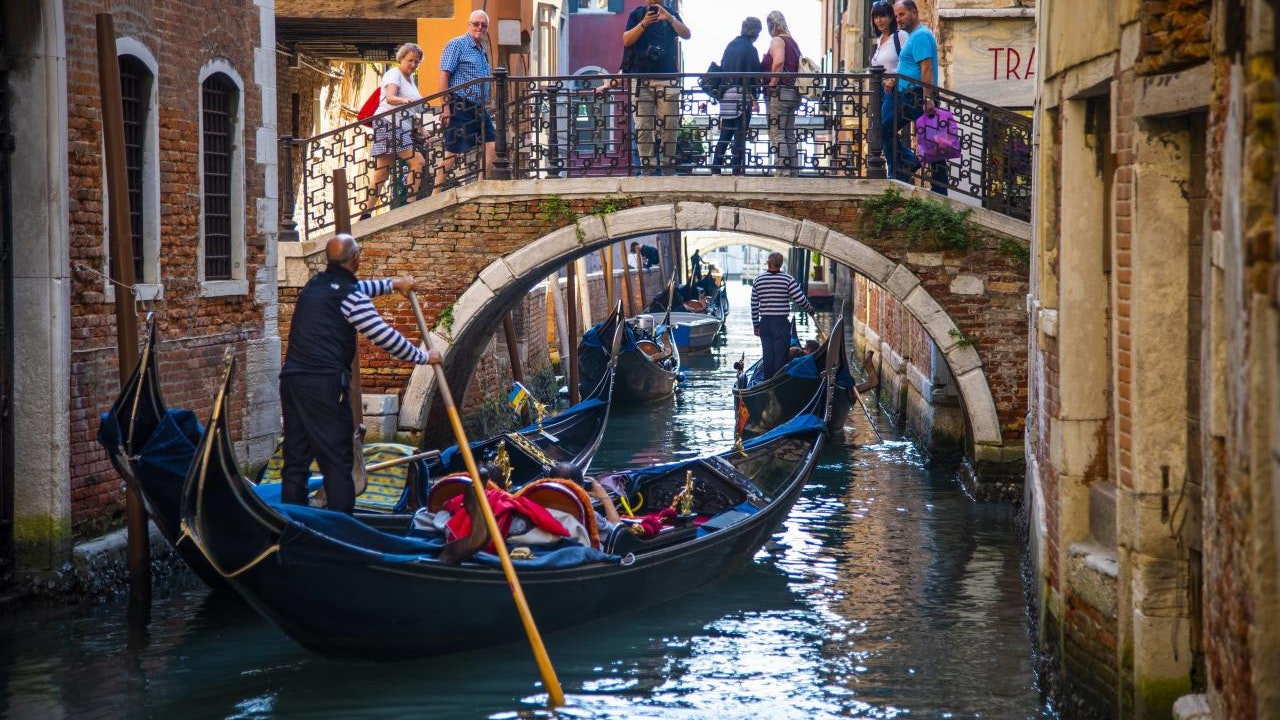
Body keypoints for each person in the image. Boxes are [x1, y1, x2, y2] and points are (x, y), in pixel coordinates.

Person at [279, 233, 440, 514]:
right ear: (356, 259)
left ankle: (293, 523)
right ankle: (342, 528)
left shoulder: (315, 285)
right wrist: (425, 357)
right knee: (337, 462)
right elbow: (385, 338)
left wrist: (392, 285)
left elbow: (355, 290)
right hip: (323, 387)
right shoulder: (350, 296)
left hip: (292, 381)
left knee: (296, 459)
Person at [621, 0, 691, 174]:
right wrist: (644, 23)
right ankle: (648, 171)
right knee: (643, 127)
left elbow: (687, 34)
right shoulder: (637, 15)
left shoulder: (670, 15)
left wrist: (670, 18)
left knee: (670, 126)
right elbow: (626, 40)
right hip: (641, 80)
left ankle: (668, 169)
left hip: (667, 79)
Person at [363, 43, 429, 218]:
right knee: (418, 162)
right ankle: (410, 206)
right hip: (389, 123)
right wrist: (404, 100)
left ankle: (366, 213)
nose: (413, 65)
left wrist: (421, 130)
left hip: (401, 126)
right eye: (410, 61)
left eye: (417, 62)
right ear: (401, 58)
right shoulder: (394, 74)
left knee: (382, 172)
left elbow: (412, 111)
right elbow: (390, 98)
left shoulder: (411, 80)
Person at [436, 10, 497, 193]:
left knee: (492, 142)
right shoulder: (457, 44)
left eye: (484, 25)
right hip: (460, 104)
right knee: (452, 152)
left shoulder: (482, 50)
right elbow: (444, 75)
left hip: (478, 106)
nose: (480, 28)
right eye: (476, 24)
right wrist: (445, 106)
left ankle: (480, 184)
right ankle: (435, 192)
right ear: (469, 25)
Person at [893, 0, 948, 195]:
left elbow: (927, 69)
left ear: (914, 13)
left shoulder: (921, 36)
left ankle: (912, 167)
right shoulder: (914, 36)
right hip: (913, 95)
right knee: (932, 142)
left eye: (902, 14)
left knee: (886, 127)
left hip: (918, 96)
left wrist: (927, 99)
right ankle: (912, 167)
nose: (898, 19)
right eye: (897, 15)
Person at [710, 17, 762, 176]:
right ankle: (736, 169)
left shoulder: (730, 46)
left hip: (726, 96)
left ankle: (716, 167)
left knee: (726, 132)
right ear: (755, 32)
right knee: (739, 134)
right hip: (741, 96)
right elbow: (754, 76)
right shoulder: (751, 49)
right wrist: (755, 98)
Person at [750, 251, 814, 379]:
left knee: (768, 355)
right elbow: (800, 299)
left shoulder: (758, 280)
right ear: (780, 264)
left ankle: (767, 382)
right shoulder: (787, 280)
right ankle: (777, 382)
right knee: (780, 357)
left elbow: (754, 305)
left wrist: (756, 325)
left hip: (765, 323)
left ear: (768, 263)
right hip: (780, 323)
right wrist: (810, 310)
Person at [868, 1, 912, 179]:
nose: (879, 20)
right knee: (882, 131)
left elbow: (908, 61)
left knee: (884, 129)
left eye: (883, 16)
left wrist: (894, 78)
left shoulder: (900, 36)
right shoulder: (880, 40)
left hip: (894, 90)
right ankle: (896, 169)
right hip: (880, 92)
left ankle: (902, 163)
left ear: (891, 17)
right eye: (876, 17)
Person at [762, 10, 802, 176]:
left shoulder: (778, 40)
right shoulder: (793, 42)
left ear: (771, 25)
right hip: (793, 92)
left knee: (777, 132)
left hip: (779, 92)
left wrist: (772, 83)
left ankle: (782, 172)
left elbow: (778, 61)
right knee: (788, 134)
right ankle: (793, 171)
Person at [549, 462, 622, 538]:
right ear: (580, 487)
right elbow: (617, 533)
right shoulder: (586, 514)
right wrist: (605, 498)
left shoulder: (538, 503)